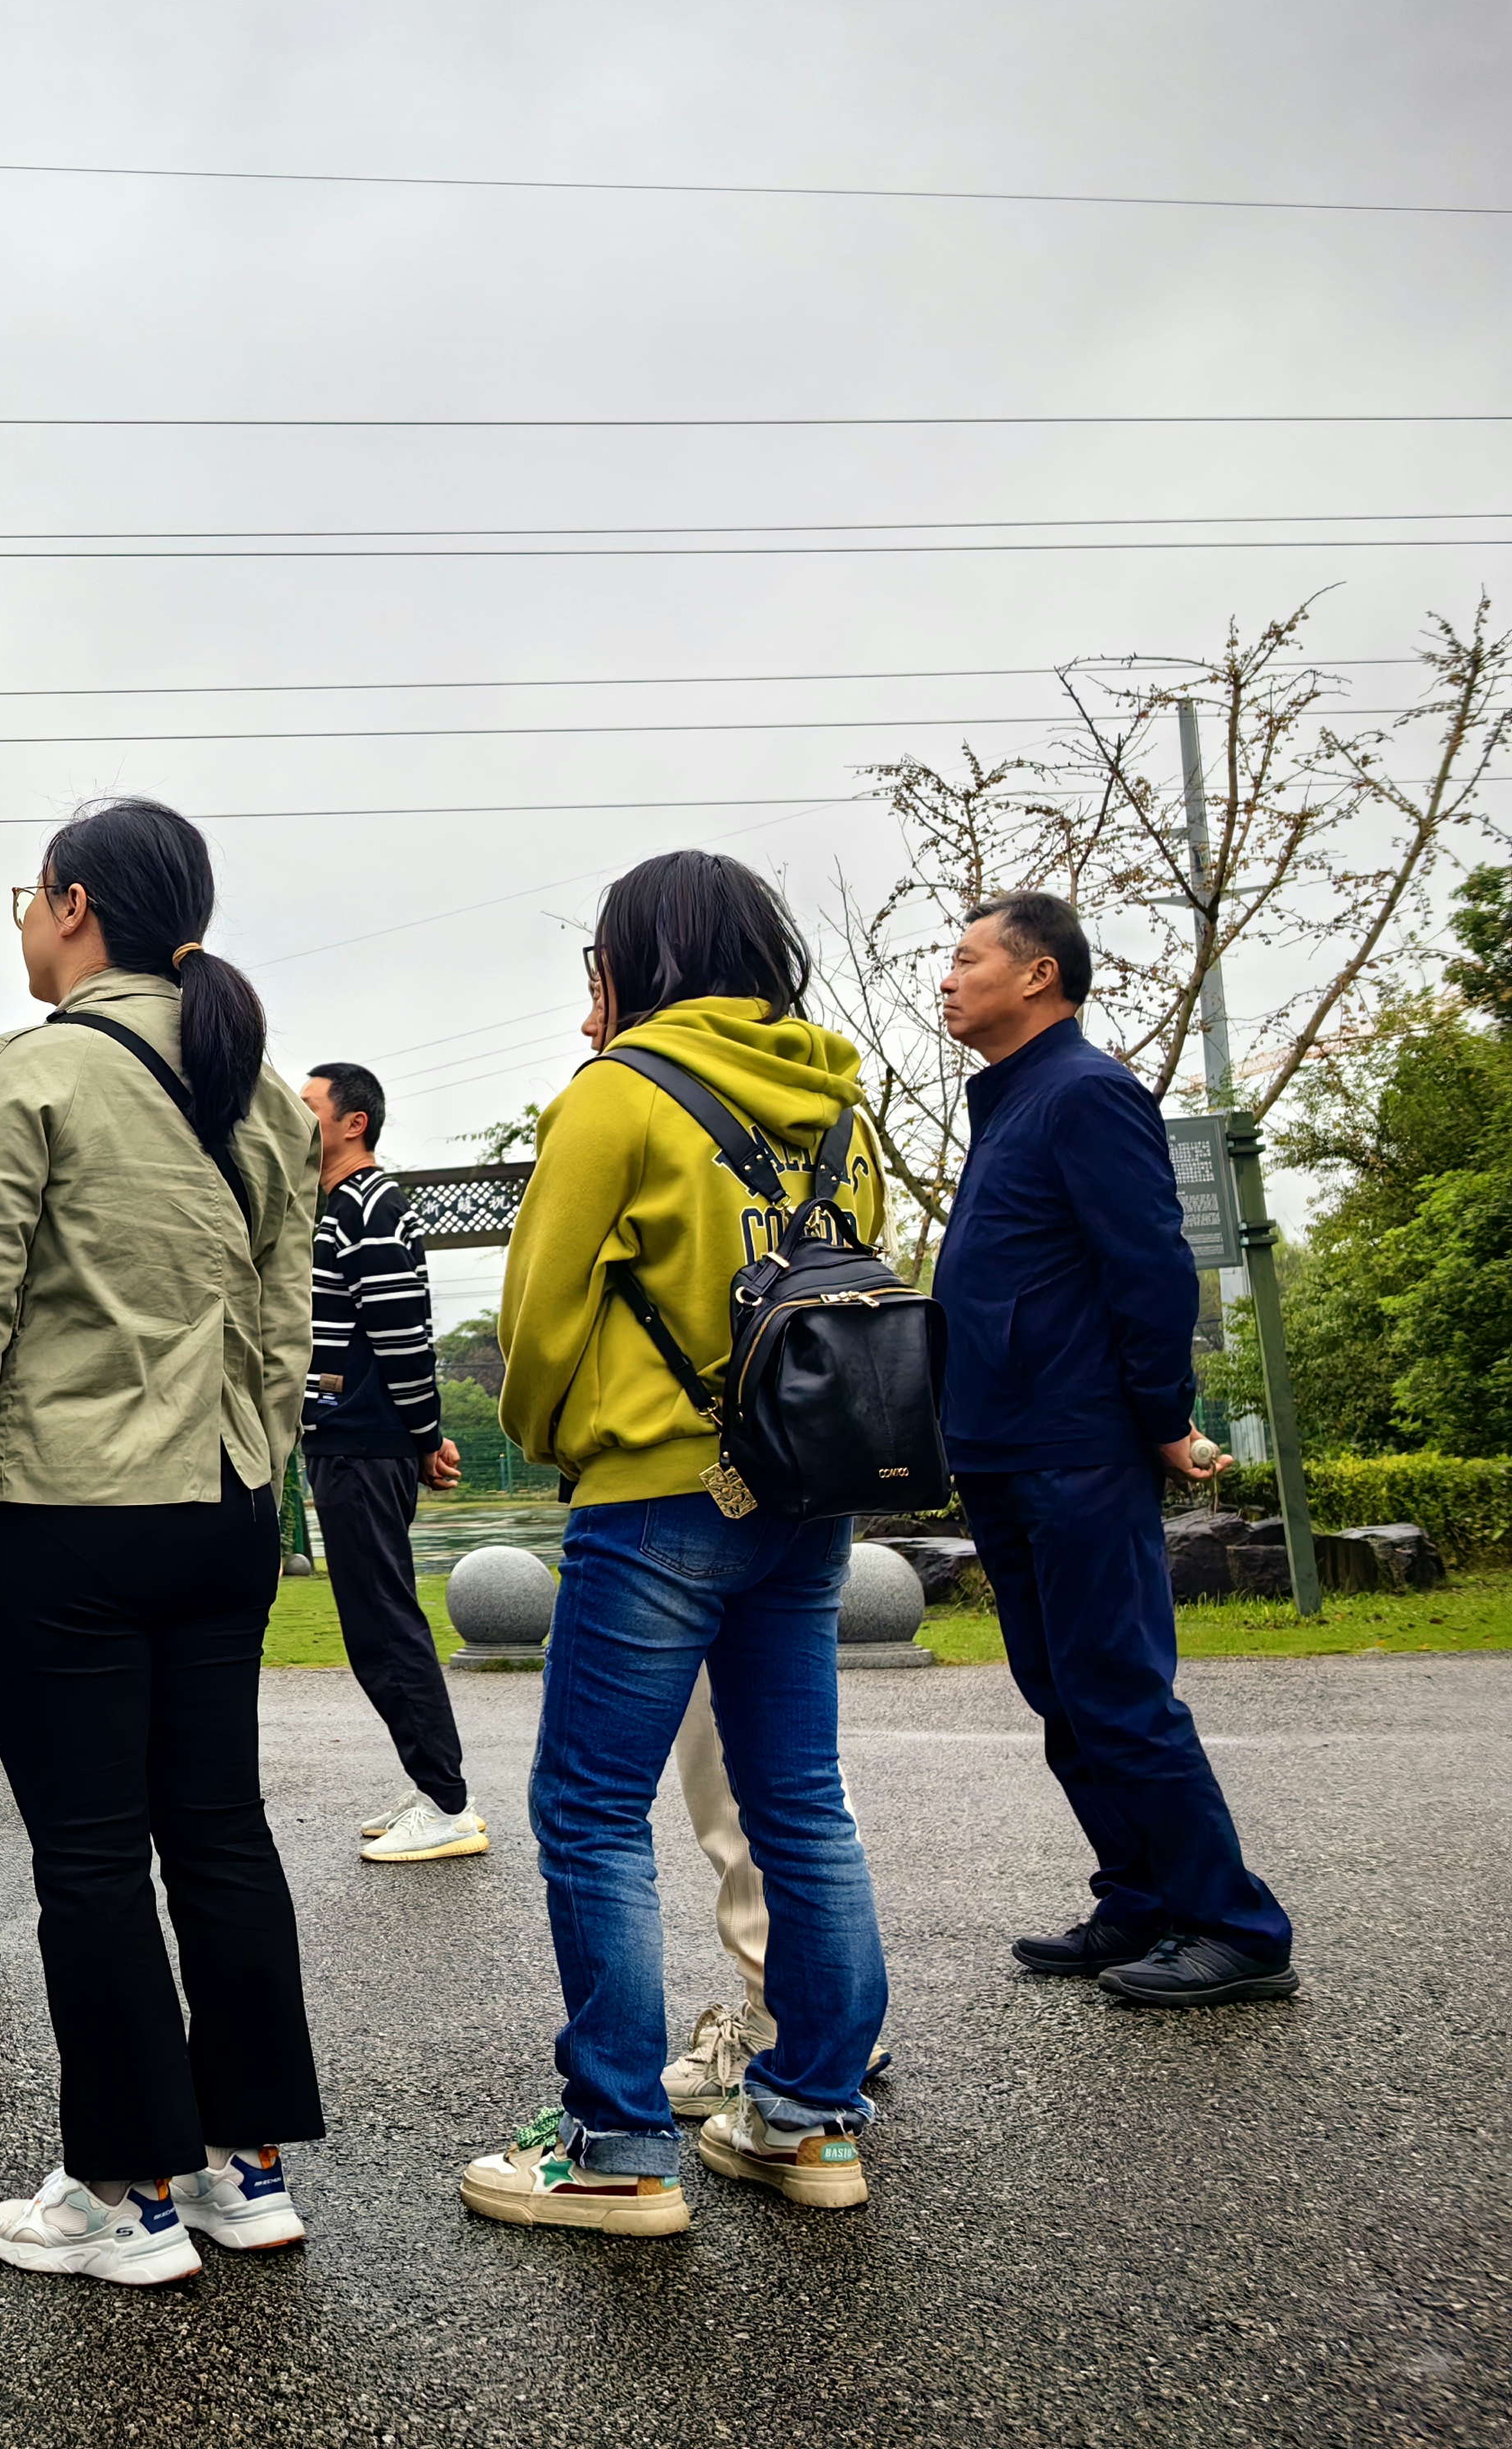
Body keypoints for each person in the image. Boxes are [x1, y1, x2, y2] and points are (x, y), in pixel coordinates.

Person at [0, 797, 323, 2288]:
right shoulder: (262, 1089)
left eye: (31, 895)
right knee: (216, 1828)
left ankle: (127, 2188)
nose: (24, 918)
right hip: (223, 1502)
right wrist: (249, 1460)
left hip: (66, 1511)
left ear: (73, 905)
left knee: (88, 1853)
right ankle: (245, 2170)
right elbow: (281, 1321)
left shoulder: (30, 1070)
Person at [463, 849, 887, 2236]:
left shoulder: (618, 1094)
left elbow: (537, 1320)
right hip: (804, 1496)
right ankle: (809, 2119)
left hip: (655, 1496)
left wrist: (566, 1437)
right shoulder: (839, 1105)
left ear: (630, 958)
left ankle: (614, 2150)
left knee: (589, 1809)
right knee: (798, 1801)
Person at [936, 892, 1296, 2006]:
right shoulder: (1011, 1102)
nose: (946, 980)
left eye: (965, 959)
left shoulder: (1087, 1094)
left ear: (1038, 976)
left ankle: (1235, 1926)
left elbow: (1150, 1269)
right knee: (1062, 1692)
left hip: (1075, 1442)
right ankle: (1139, 1900)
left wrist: (1163, 1419)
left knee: (1120, 1691)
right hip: (1004, 1443)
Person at [297, 1060, 479, 1863]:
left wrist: (421, 1435)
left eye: (307, 1108)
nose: (294, 1120)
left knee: (383, 1623)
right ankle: (431, 1781)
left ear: (351, 1123)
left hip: (364, 1441)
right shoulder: (333, 1207)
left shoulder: (371, 1203)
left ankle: (446, 1804)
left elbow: (403, 1334)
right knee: (376, 1618)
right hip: (351, 1439)